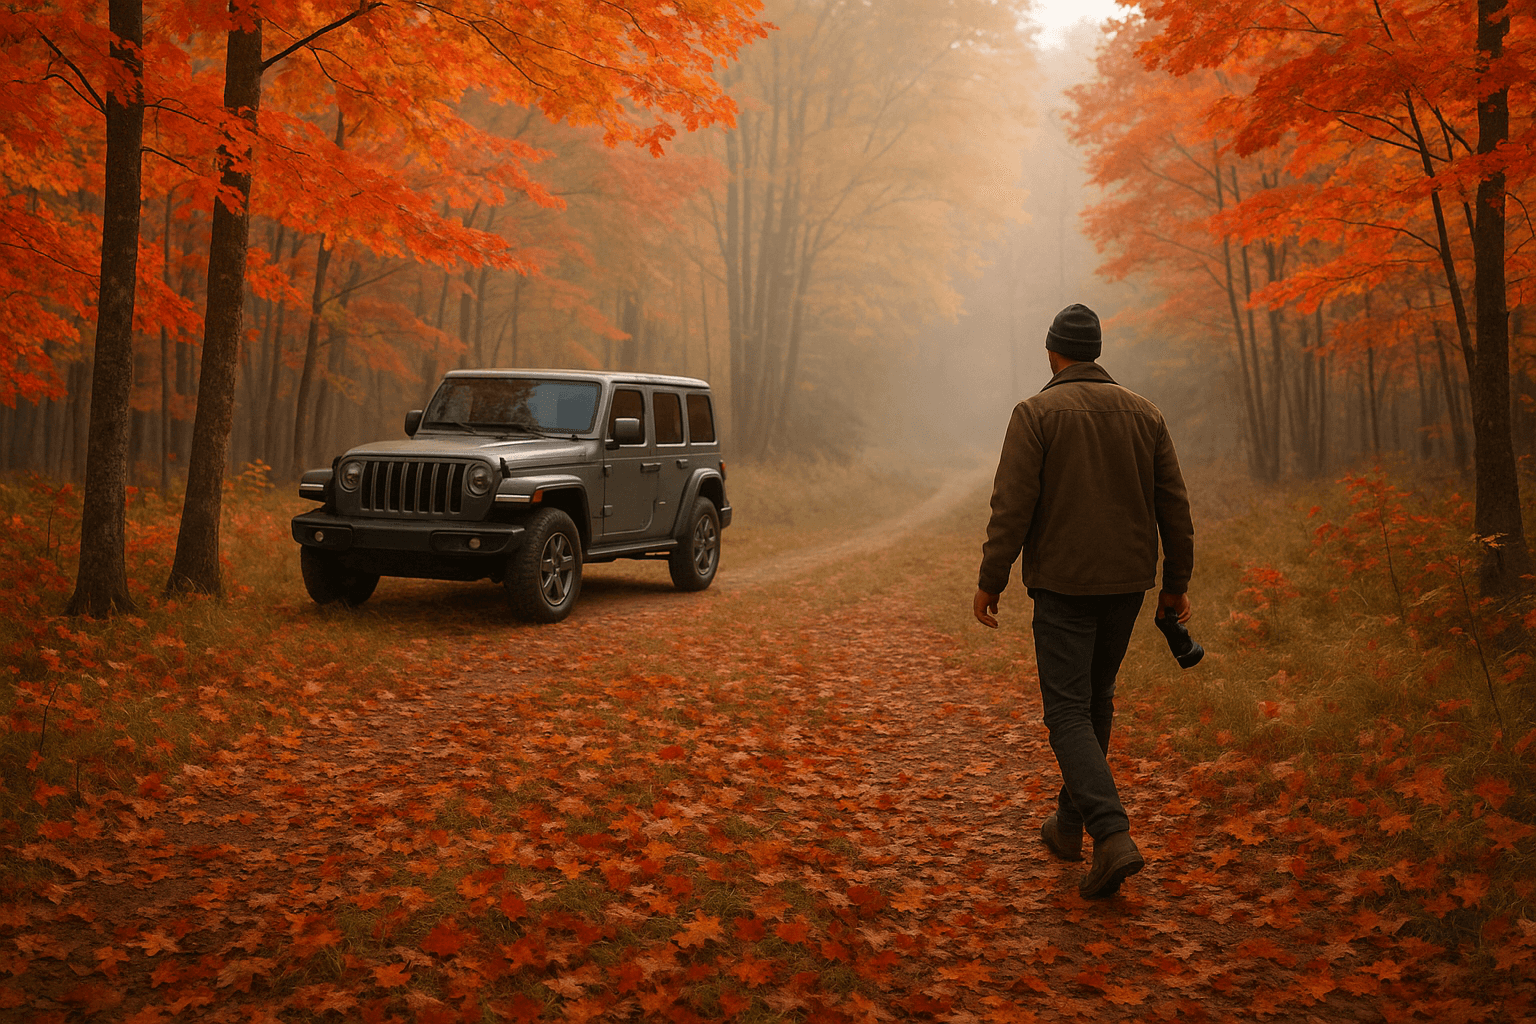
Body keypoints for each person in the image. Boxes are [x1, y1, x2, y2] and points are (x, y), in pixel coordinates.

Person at [973, 303, 1194, 899]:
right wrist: (1176, 582)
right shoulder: (1145, 413)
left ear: (1053, 351)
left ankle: (1111, 834)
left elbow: (1012, 505)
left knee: (1068, 711)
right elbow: (1173, 504)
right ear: (1096, 350)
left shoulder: (1036, 413)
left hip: (1064, 584)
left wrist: (991, 577)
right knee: (1095, 700)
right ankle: (1069, 825)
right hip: (1128, 583)